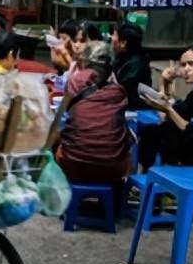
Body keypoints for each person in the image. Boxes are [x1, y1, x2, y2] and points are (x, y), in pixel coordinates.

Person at [50, 41, 132, 192]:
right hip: (112, 168)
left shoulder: (75, 82)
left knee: (56, 140)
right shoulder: (119, 91)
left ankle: (61, 192)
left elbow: (58, 123)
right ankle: (115, 199)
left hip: (74, 165)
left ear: (84, 61)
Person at [111, 22, 149, 110]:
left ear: (123, 43)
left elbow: (121, 91)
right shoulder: (121, 57)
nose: (111, 38)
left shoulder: (136, 64)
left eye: (114, 35)